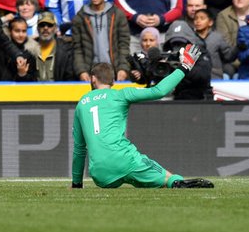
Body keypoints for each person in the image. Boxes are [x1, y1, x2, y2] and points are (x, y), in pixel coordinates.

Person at [71, 52, 214, 190]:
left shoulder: (82, 103)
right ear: (113, 81)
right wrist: (185, 67)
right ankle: (176, 181)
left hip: (100, 174)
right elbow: (159, 91)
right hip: (124, 161)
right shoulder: (121, 94)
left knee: (130, 171)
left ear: (93, 78)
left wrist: (77, 184)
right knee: (167, 179)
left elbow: (79, 149)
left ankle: (155, 179)